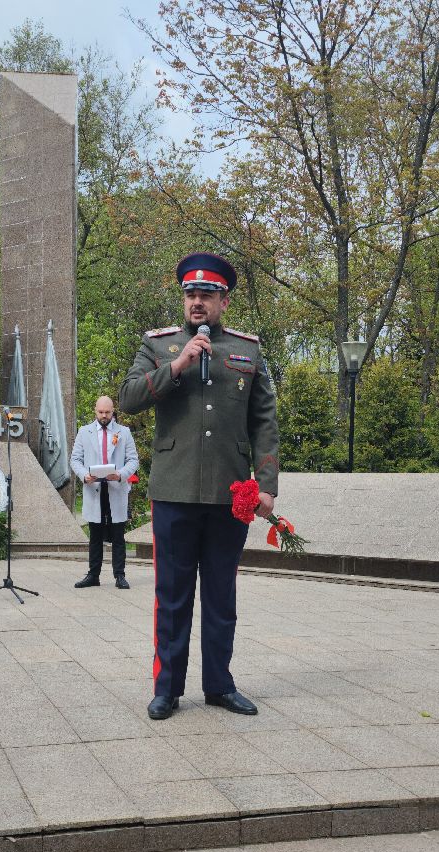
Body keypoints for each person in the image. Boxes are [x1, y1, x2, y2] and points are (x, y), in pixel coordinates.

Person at [119, 252, 279, 719]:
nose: (196, 302)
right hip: (173, 491)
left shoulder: (248, 351)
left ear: (223, 301)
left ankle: (219, 685)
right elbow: (129, 399)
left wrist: (266, 484)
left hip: (230, 495)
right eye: (190, 294)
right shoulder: (159, 346)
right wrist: (178, 365)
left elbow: (264, 422)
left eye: (206, 295)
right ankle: (167, 688)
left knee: (221, 596)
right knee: (172, 594)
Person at [70, 396, 139, 590]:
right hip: (94, 489)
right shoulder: (84, 432)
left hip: (116, 488)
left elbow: (133, 460)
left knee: (118, 534)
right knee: (95, 534)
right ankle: (93, 575)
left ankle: (120, 575)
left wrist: (121, 474)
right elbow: (75, 459)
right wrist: (84, 475)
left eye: (107, 412)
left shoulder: (124, 432)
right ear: (95, 411)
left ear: (113, 411)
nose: (104, 416)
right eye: (100, 412)